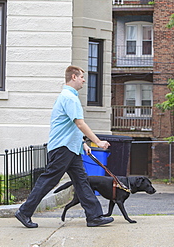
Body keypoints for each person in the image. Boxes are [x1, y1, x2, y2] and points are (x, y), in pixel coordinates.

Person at [15, 65, 113, 228]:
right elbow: (80, 124)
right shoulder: (69, 98)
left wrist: (82, 144)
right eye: (81, 77)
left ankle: (94, 216)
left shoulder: (69, 97)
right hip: (63, 148)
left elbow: (71, 126)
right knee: (48, 180)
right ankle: (24, 212)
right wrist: (97, 141)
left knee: (82, 182)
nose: (83, 80)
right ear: (73, 77)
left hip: (71, 148)